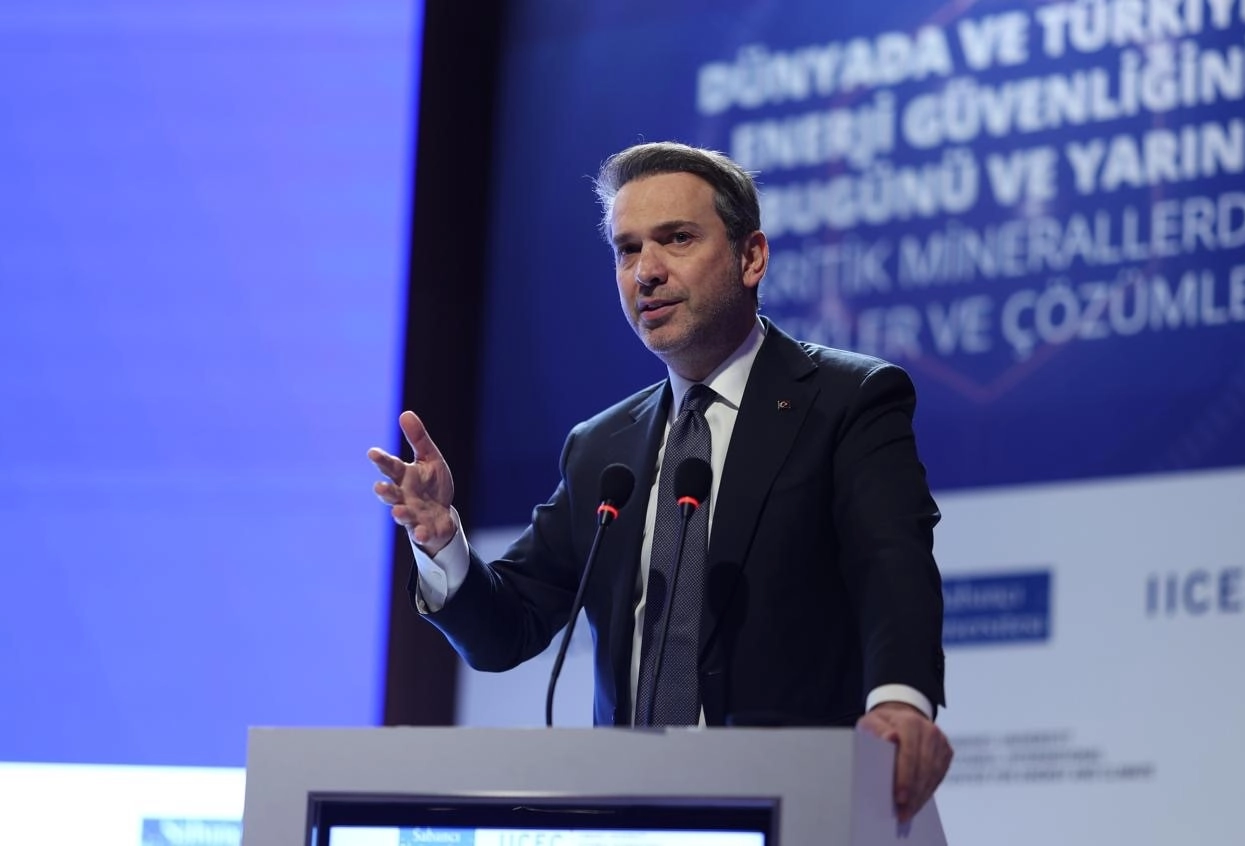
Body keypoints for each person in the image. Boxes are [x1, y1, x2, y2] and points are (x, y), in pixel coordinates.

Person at [369, 141, 952, 821]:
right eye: (627, 249)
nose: (645, 271)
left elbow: (892, 566)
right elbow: (506, 633)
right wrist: (441, 543)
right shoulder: (599, 448)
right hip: (633, 817)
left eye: (676, 239)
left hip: (798, 808)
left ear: (751, 257)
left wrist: (900, 703)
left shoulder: (848, 401)